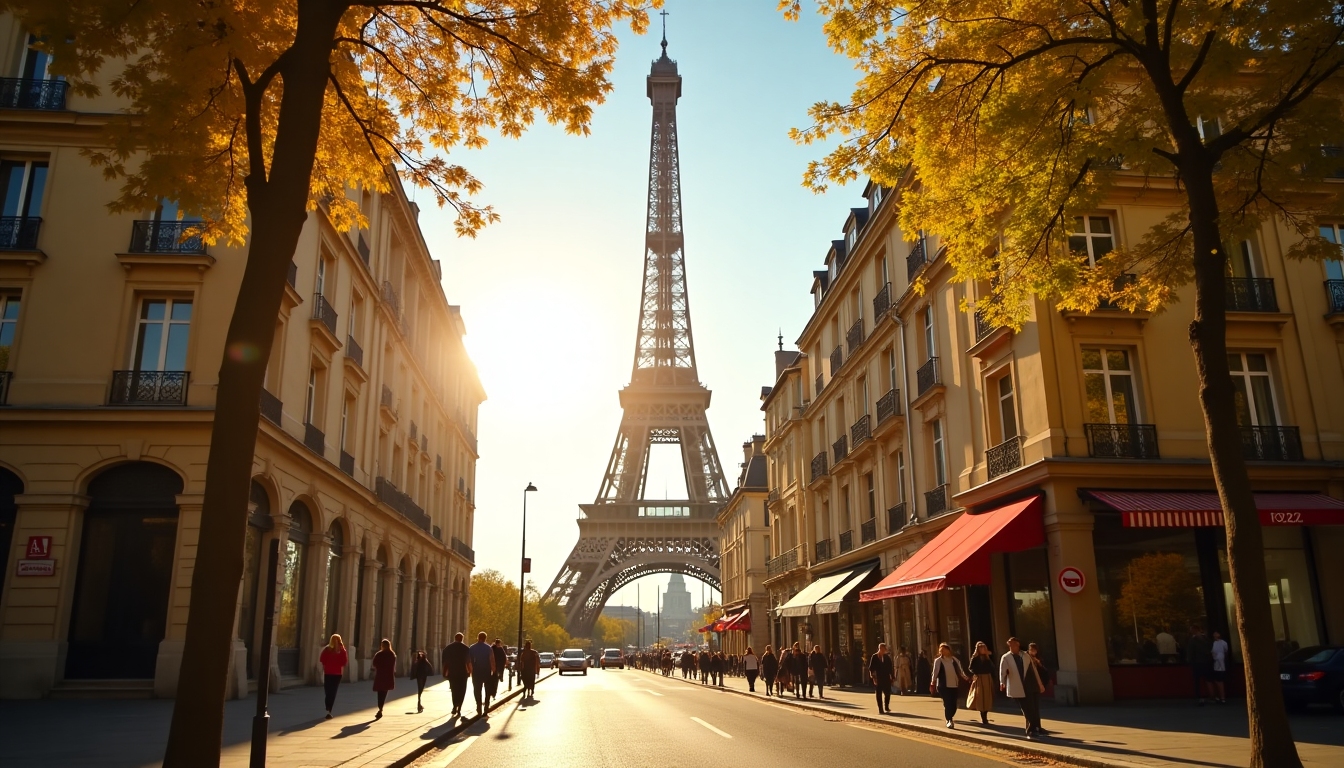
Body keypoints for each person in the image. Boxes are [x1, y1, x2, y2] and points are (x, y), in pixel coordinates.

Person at [999, 637, 1045, 738]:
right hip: (1018, 686)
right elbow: (1002, 672)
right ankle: (1032, 729)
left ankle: (1033, 729)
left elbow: (1034, 670)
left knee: (1033, 708)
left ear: (1018, 644)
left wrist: (1040, 684)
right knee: (1026, 709)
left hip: (1030, 685)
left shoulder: (1025, 655)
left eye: (1013, 644)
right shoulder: (1006, 657)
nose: (1011, 646)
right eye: (1009, 644)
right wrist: (1002, 682)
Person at [931, 642, 969, 728]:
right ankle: (949, 720)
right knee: (948, 703)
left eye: (944, 649)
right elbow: (935, 672)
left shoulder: (954, 660)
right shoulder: (938, 661)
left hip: (954, 684)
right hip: (944, 686)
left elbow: (960, 671)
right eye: (941, 650)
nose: (943, 651)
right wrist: (932, 682)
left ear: (948, 650)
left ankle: (950, 715)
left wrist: (966, 678)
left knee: (954, 704)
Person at [441, 632, 471, 716]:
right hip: (463, 673)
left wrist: (444, 673)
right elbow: (468, 662)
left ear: (455, 638)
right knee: (462, 690)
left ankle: (454, 706)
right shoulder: (466, 648)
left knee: (454, 690)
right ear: (462, 639)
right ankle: (459, 708)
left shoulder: (448, 648)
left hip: (452, 672)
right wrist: (470, 671)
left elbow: (445, 663)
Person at [319, 633, 348, 719]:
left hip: (328, 672)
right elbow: (344, 662)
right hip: (337, 674)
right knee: (333, 691)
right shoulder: (342, 650)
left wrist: (325, 666)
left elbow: (322, 659)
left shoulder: (327, 649)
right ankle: (329, 709)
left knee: (327, 690)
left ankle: (328, 705)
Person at [967, 641, 996, 725]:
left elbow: (992, 668)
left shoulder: (987, 658)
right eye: (980, 648)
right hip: (980, 678)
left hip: (987, 678)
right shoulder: (975, 658)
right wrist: (975, 674)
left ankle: (985, 715)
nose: (982, 649)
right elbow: (970, 668)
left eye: (983, 647)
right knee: (980, 697)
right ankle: (982, 715)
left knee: (987, 697)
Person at [469, 631, 496, 716]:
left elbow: (469, 661)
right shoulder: (488, 648)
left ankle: (479, 705)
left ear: (478, 637)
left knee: (477, 689)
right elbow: (492, 660)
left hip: (476, 672)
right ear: (485, 638)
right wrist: (493, 670)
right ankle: (486, 706)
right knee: (487, 689)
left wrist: (471, 671)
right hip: (486, 671)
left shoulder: (472, 648)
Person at [1186, 625, 1213, 705]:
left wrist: (1189, 660)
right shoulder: (1206, 639)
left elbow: (1190, 652)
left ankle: (1199, 697)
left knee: (1197, 680)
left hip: (1197, 663)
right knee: (1209, 680)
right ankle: (1212, 696)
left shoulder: (1192, 640)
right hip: (1207, 662)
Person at [371, 639, 396, 720]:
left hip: (380, 676)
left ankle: (380, 708)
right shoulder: (392, 654)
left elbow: (374, 663)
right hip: (388, 676)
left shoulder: (379, 654)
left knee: (380, 693)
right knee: (384, 692)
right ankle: (381, 708)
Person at [868, 643, 894, 713]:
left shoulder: (887, 657)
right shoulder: (874, 657)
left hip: (886, 678)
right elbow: (871, 668)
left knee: (887, 693)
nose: (884, 650)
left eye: (885, 649)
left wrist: (892, 677)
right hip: (878, 678)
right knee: (879, 694)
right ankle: (880, 709)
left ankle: (886, 706)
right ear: (880, 649)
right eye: (883, 649)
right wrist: (874, 678)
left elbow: (890, 668)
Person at [1209, 630, 1229, 704]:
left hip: (1220, 663)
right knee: (1217, 681)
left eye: (1216, 633)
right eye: (1214, 634)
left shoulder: (1223, 643)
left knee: (1219, 681)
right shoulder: (1213, 643)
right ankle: (1219, 696)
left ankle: (1221, 696)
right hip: (1216, 663)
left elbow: (1225, 651)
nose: (1215, 635)